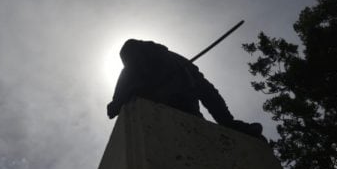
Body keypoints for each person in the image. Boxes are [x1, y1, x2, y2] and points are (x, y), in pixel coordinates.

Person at [106, 39, 263, 138]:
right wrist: (136, 90)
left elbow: (206, 90)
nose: (138, 65)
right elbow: (112, 109)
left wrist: (227, 121)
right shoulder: (129, 71)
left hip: (190, 116)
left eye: (139, 60)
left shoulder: (175, 60)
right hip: (156, 122)